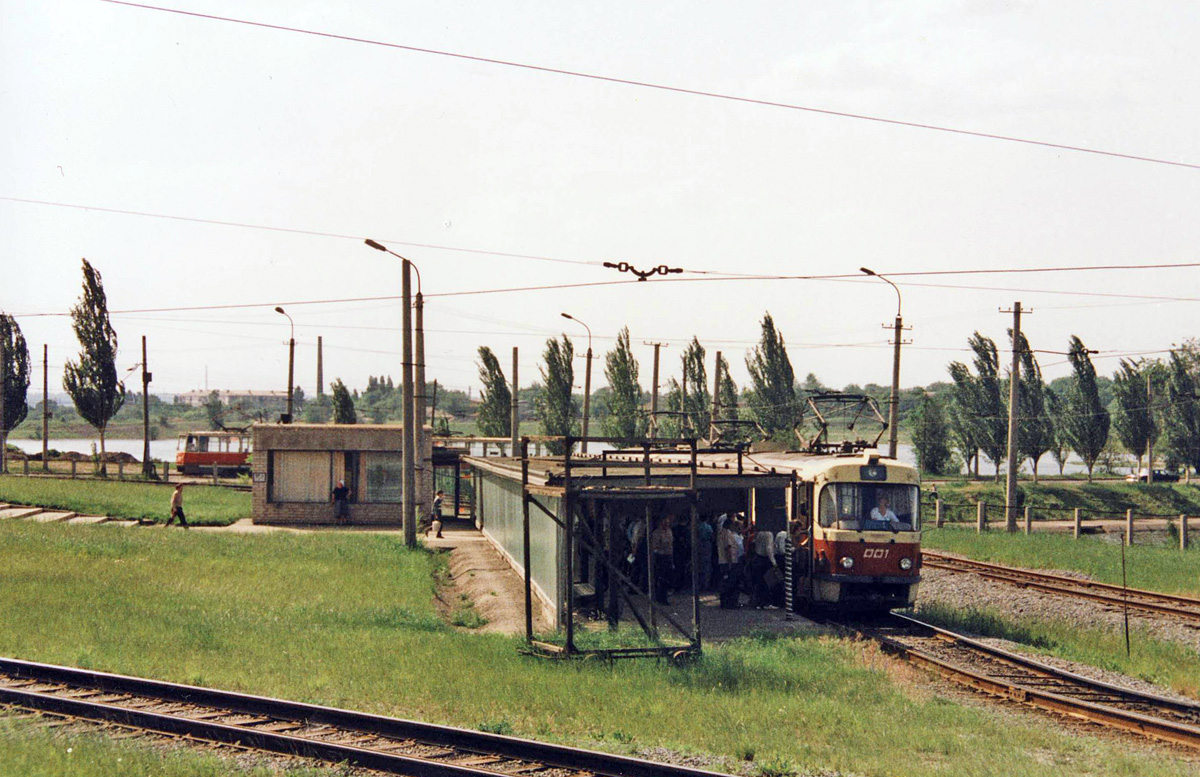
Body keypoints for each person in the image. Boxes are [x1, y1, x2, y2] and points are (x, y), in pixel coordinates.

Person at [650, 515, 674, 605]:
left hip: (669, 556)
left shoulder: (669, 531)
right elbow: (654, 547)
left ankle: (664, 596)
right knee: (661, 578)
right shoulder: (657, 533)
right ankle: (660, 597)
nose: (667, 524)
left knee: (668, 578)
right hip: (660, 557)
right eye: (665, 522)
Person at [717, 518, 739, 608]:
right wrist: (730, 561)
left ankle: (724, 600)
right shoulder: (727, 533)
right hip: (728, 561)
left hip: (722, 560)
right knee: (731, 582)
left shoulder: (720, 533)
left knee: (724, 581)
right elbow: (728, 548)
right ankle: (730, 602)